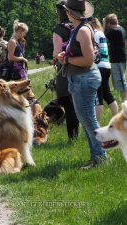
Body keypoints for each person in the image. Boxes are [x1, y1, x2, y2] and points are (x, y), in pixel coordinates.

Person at [58, 0, 106, 169]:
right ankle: (96, 157)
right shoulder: (78, 29)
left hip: (84, 79)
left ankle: (101, 157)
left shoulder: (83, 30)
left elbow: (88, 59)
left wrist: (67, 59)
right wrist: (67, 54)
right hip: (80, 79)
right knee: (86, 120)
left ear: (71, 13)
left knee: (89, 120)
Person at [52, 0, 79, 140]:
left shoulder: (59, 29)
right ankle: (78, 134)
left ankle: (72, 137)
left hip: (64, 69)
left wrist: (55, 57)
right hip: (79, 68)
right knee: (76, 103)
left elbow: (56, 53)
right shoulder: (76, 26)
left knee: (68, 104)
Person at [89, 18, 118, 121]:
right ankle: (117, 118)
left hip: (98, 67)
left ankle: (97, 124)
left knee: (98, 97)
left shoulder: (94, 34)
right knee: (107, 94)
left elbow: (94, 51)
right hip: (107, 66)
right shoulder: (102, 34)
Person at [104, 14, 127, 102]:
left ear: (109, 23)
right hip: (121, 57)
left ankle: (124, 101)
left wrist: (104, 24)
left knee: (120, 80)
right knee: (121, 79)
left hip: (117, 59)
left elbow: (103, 34)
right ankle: (124, 100)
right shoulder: (121, 29)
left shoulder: (114, 31)